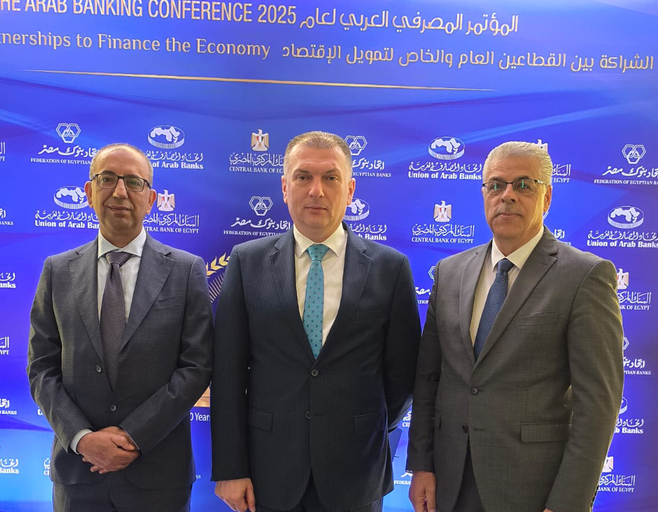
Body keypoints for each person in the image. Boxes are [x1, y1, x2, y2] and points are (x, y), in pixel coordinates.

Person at [407, 141, 624, 512]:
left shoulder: (585, 276)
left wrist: (567, 502)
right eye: (496, 185)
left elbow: (597, 407)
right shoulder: (449, 272)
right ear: (484, 194)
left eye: (523, 185)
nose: (507, 195)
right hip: (450, 482)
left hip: (533, 490)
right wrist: (422, 465)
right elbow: (429, 379)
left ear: (547, 197)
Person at [211, 131, 421, 512]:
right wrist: (229, 467)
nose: (316, 190)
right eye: (303, 176)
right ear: (284, 187)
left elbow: (402, 377)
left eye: (331, 177)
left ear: (350, 189)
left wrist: (361, 425)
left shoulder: (391, 269)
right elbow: (228, 375)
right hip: (268, 471)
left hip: (355, 471)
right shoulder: (246, 262)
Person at [27, 143, 213, 512]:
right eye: (107, 179)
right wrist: (82, 438)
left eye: (133, 182)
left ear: (151, 198)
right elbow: (41, 369)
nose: (120, 192)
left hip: (159, 476)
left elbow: (197, 367)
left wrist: (132, 436)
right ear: (89, 192)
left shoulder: (186, 270)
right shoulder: (57, 271)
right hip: (78, 473)